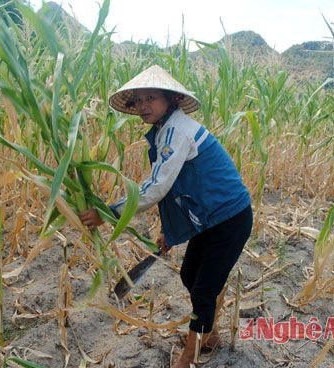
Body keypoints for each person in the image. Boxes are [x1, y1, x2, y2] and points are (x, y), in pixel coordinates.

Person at [79, 65, 253, 368]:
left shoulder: (176, 132)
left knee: (202, 291)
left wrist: (107, 213)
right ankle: (209, 334)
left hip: (229, 218)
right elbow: (178, 188)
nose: (144, 106)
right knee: (189, 275)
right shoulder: (166, 129)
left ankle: (188, 357)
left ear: (171, 100)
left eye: (151, 98)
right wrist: (169, 231)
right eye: (138, 100)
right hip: (210, 218)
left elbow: (156, 188)